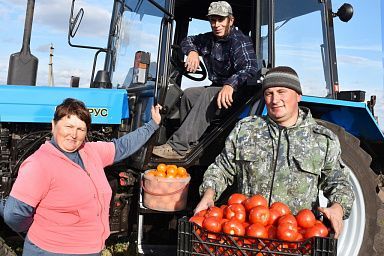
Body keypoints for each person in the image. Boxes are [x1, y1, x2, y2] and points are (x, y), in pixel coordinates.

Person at [195, 66, 354, 239]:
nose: (275, 99)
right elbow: (222, 168)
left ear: (298, 95)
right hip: (249, 235)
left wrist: (337, 208)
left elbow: (339, 182)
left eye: (281, 92)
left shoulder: (322, 139)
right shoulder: (246, 130)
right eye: (268, 93)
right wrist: (209, 194)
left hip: (295, 237)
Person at [0, 98, 161, 255]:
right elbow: (13, 213)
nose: (73, 134)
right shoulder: (40, 163)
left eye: (81, 129)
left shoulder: (90, 152)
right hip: (51, 250)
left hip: (90, 248)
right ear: (53, 125)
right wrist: (35, 228)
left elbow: (122, 146)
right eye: (68, 126)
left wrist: (152, 125)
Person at [152, 1, 258, 159]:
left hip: (237, 93)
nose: (216, 24)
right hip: (217, 88)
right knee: (189, 94)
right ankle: (191, 143)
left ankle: (178, 147)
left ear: (231, 20)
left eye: (221, 20)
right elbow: (187, 41)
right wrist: (193, 52)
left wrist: (231, 84)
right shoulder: (209, 39)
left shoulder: (239, 41)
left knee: (208, 94)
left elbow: (250, 67)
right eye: (213, 20)